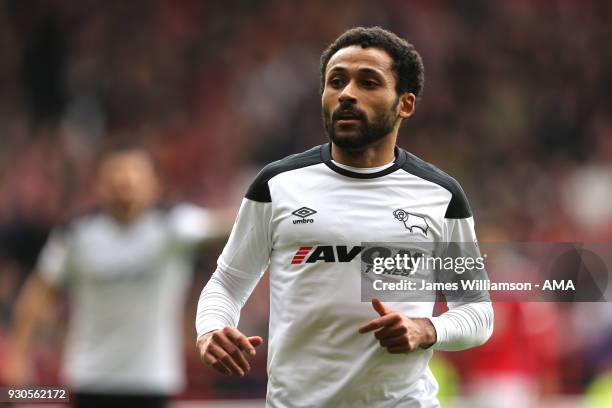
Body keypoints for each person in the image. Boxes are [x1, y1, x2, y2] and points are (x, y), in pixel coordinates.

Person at [195, 26, 494, 407]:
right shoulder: (277, 184)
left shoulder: (440, 195)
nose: (347, 94)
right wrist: (211, 328)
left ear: (405, 104)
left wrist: (425, 329)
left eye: (368, 82)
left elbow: (477, 311)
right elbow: (227, 283)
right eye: (336, 81)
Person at [5, 145, 230, 408]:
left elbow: (225, 228)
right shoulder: (75, 235)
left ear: (155, 183)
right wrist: (19, 355)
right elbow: (39, 293)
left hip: (151, 380)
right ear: (99, 184)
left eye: (135, 173)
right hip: (89, 377)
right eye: (117, 174)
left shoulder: (175, 227)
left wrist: (265, 212)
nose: (125, 181)